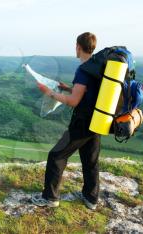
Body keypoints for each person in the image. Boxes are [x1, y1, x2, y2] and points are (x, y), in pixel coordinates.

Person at [31, 32, 101, 210]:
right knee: (90, 159)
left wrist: (50, 93)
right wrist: (68, 88)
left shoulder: (83, 69)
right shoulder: (97, 66)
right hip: (98, 119)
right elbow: (87, 92)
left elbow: (73, 102)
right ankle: (91, 198)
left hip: (83, 121)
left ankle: (50, 198)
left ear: (78, 46)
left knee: (56, 156)